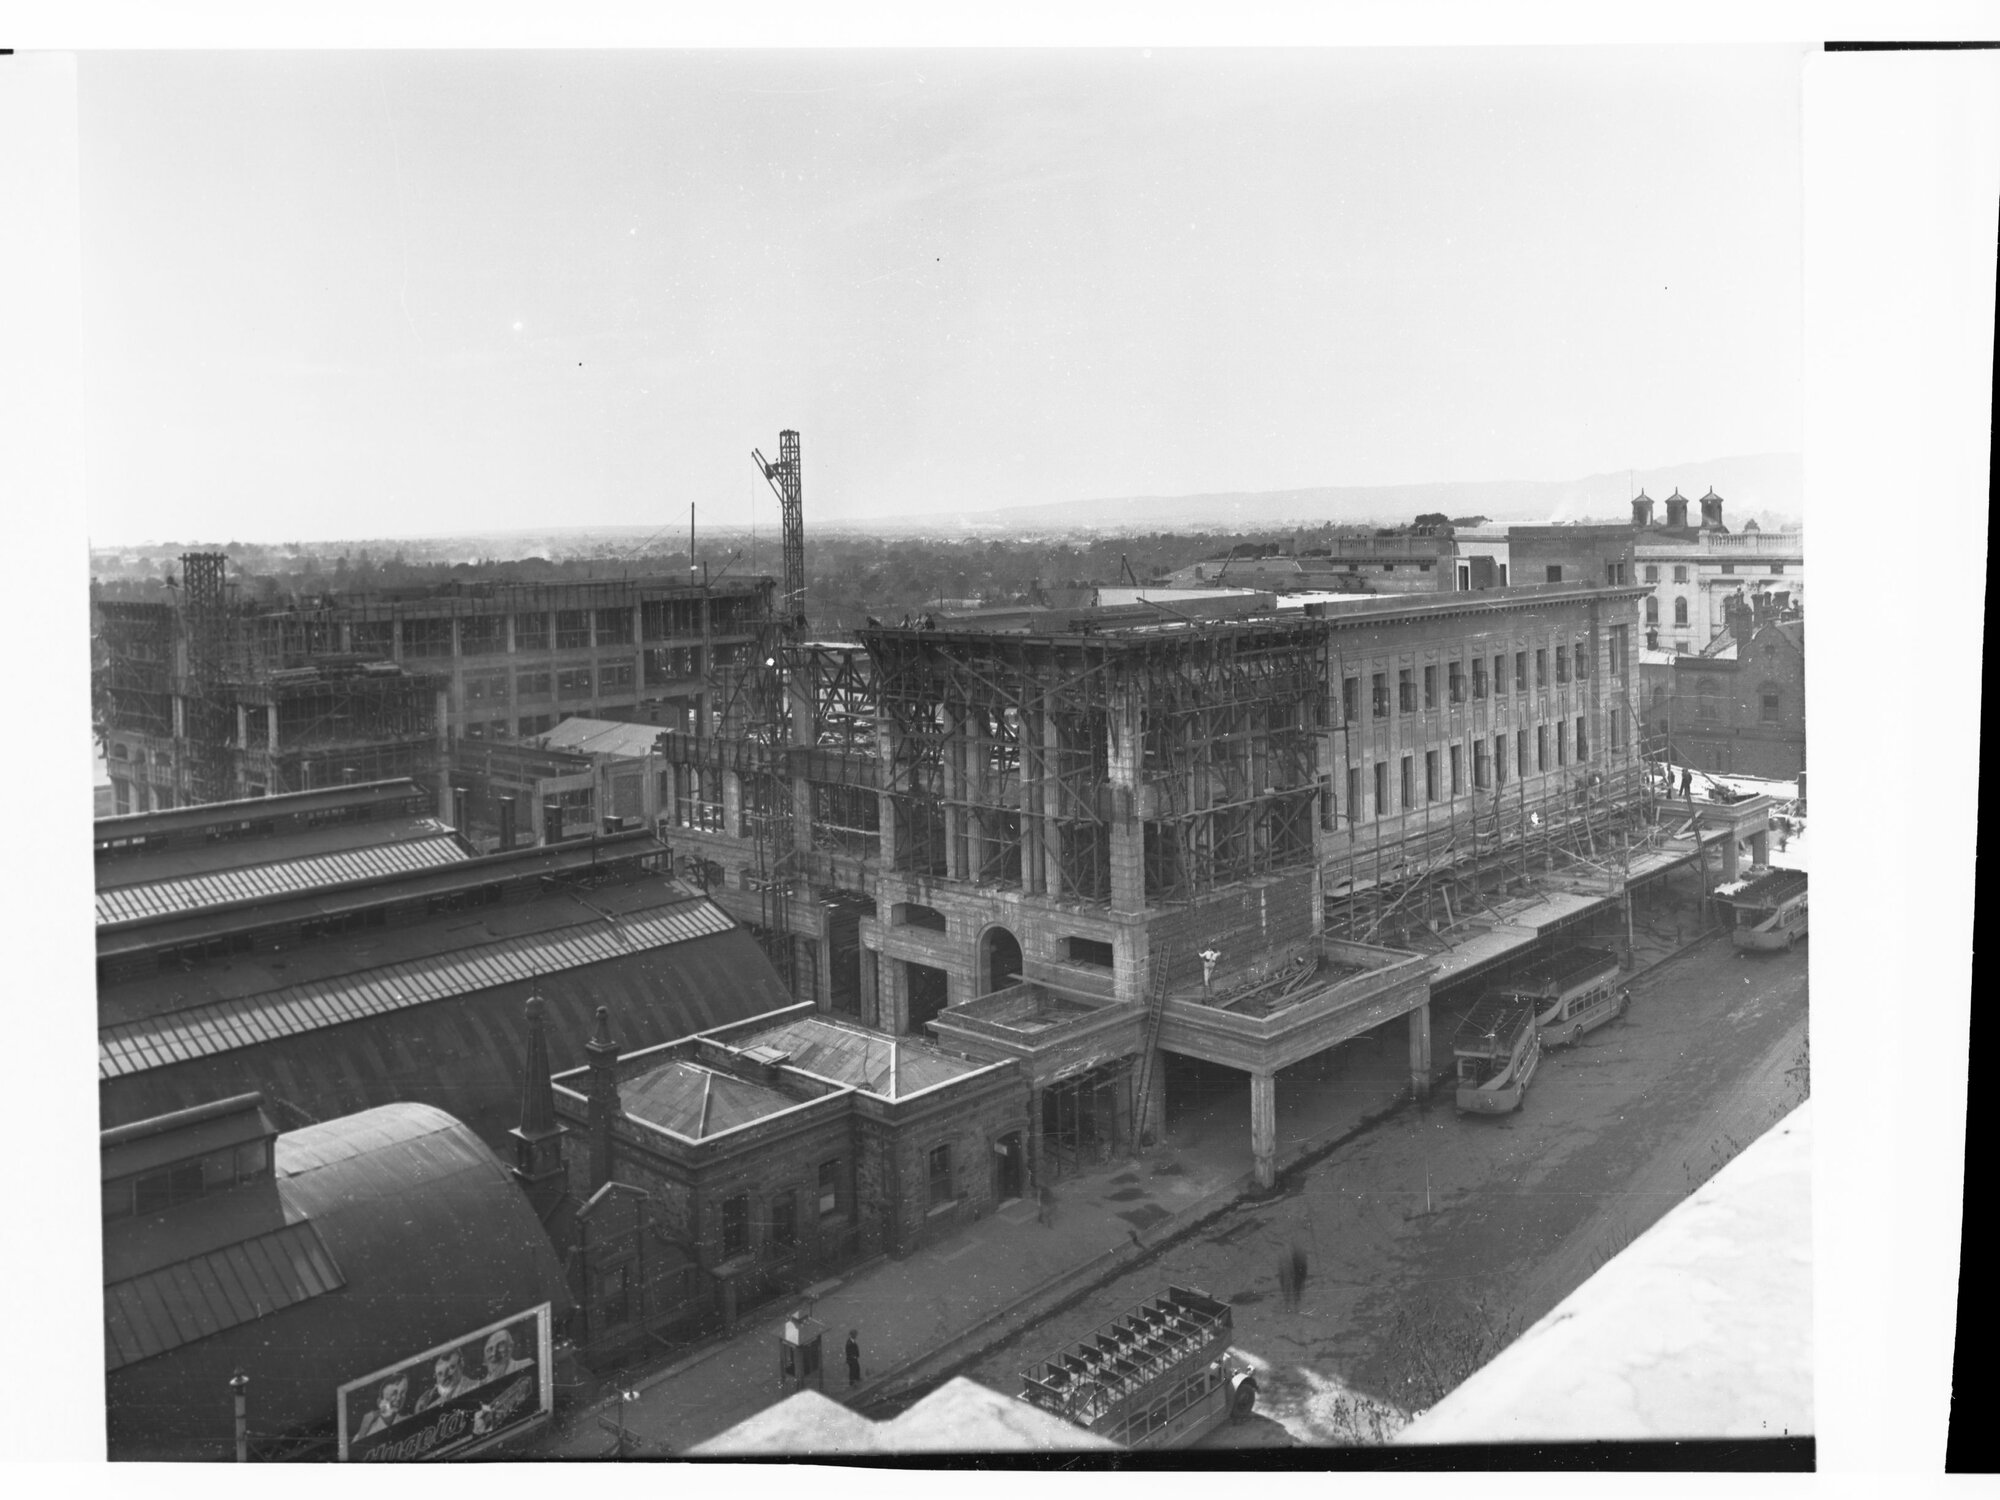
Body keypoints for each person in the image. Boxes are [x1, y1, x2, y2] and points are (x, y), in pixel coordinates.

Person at [414, 1347, 474, 1412]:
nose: (445, 1376)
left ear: (461, 1366)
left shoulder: (476, 1386)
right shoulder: (434, 1406)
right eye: (440, 1374)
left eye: (451, 1367)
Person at [354, 1373, 409, 1440]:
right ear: (379, 1401)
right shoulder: (368, 1430)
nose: (398, 1398)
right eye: (393, 1393)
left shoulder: (408, 1420)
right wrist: (363, 1429)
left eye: (403, 1393)